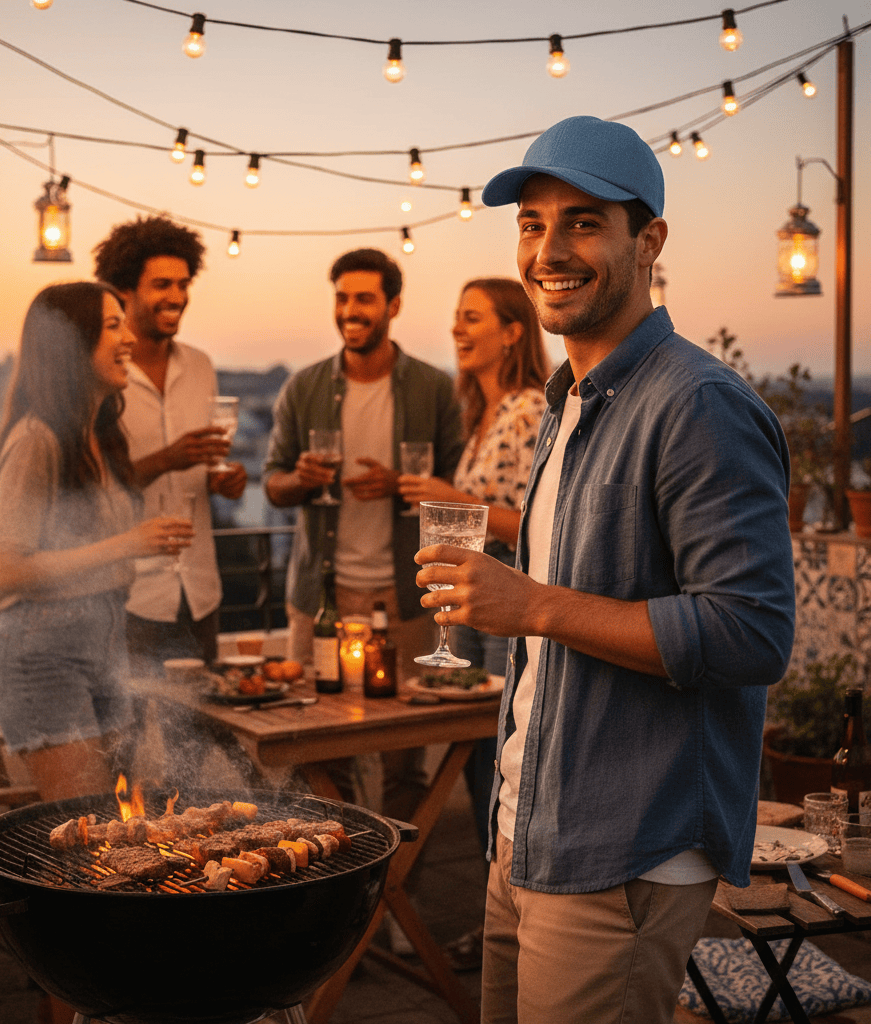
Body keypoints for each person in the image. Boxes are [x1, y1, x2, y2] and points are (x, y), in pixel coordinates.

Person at [415, 116, 796, 1023]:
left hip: (622, 852)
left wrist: (533, 604)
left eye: (583, 222)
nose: (549, 249)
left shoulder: (697, 404)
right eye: (532, 224)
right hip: (527, 832)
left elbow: (752, 632)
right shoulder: (573, 399)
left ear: (648, 241)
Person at [264, 247, 465, 819]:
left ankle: (399, 893)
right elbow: (272, 484)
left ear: (392, 305)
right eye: (342, 298)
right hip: (319, 605)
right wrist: (299, 480)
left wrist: (406, 483)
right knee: (317, 757)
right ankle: (337, 890)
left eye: (364, 299)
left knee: (405, 762)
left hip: (407, 603)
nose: (350, 310)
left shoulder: (434, 389)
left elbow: (460, 488)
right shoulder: (303, 389)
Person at [0, 282, 194, 802]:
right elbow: (9, 572)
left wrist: (140, 542)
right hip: (42, 658)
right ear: (72, 345)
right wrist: (127, 544)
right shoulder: (37, 440)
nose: (128, 339)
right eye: (112, 326)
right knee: (84, 841)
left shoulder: (100, 438)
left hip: (106, 648)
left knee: (113, 828)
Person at [398, 277, 549, 971]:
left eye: (473, 318)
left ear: (513, 330)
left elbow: (536, 530)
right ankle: (500, 932)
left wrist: (449, 500)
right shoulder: (486, 413)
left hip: (504, 614)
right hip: (474, 612)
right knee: (484, 775)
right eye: (454, 318)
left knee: (501, 773)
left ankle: (516, 937)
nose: (458, 329)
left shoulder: (524, 411)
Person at [93, 216, 246, 670]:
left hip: (200, 593)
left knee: (205, 733)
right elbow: (94, 487)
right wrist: (168, 458)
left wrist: (226, 480)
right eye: (162, 284)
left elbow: (206, 465)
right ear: (125, 291)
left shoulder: (201, 366)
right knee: (129, 734)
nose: (177, 297)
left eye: (183, 284)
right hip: (128, 598)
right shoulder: (102, 375)